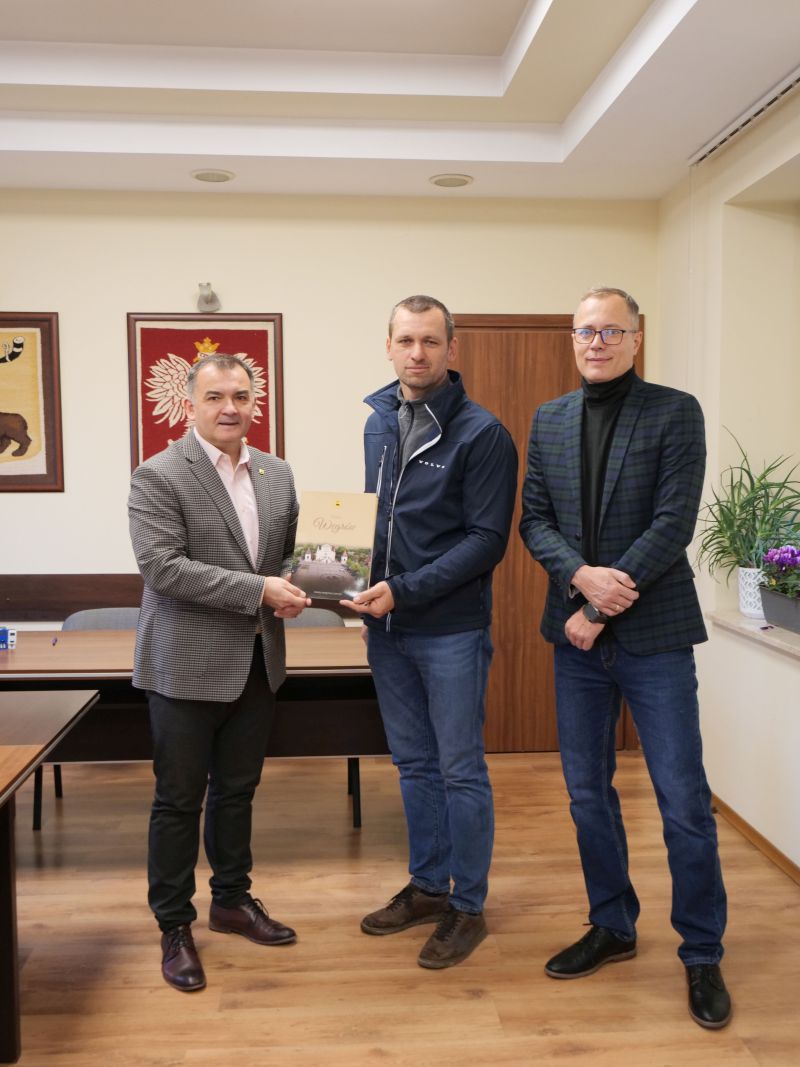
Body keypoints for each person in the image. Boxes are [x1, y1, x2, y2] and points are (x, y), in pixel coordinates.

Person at [519, 286, 731, 1028]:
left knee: (682, 801)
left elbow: (674, 522)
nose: (597, 342)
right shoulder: (548, 418)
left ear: (636, 339)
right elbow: (533, 520)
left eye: (611, 331)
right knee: (587, 794)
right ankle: (612, 923)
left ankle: (701, 951)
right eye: (586, 331)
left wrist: (598, 605)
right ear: (572, 339)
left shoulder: (675, 412)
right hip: (576, 645)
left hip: (654, 637)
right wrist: (579, 577)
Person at [343, 294, 518, 969]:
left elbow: (486, 541)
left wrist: (404, 590)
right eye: (406, 340)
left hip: (449, 631)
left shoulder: (482, 433)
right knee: (414, 765)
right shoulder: (378, 423)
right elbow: (375, 521)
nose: (417, 353)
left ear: (452, 349)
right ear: (388, 346)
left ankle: (467, 905)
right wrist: (359, 591)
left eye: (430, 341)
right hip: (387, 630)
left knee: (459, 769)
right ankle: (427, 886)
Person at [129, 353, 310, 992]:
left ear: (255, 403)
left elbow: (285, 557)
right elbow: (163, 567)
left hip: (257, 663)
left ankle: (232, 900)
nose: (229, 408)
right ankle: (174, 926)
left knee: (237, 792)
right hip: (183, 664)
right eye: (215, 397)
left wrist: (310, 579)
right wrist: (261, 590)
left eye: (240, 396)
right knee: (178, 800)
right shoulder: (158, 474)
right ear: (190, 405)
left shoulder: (278, 473)